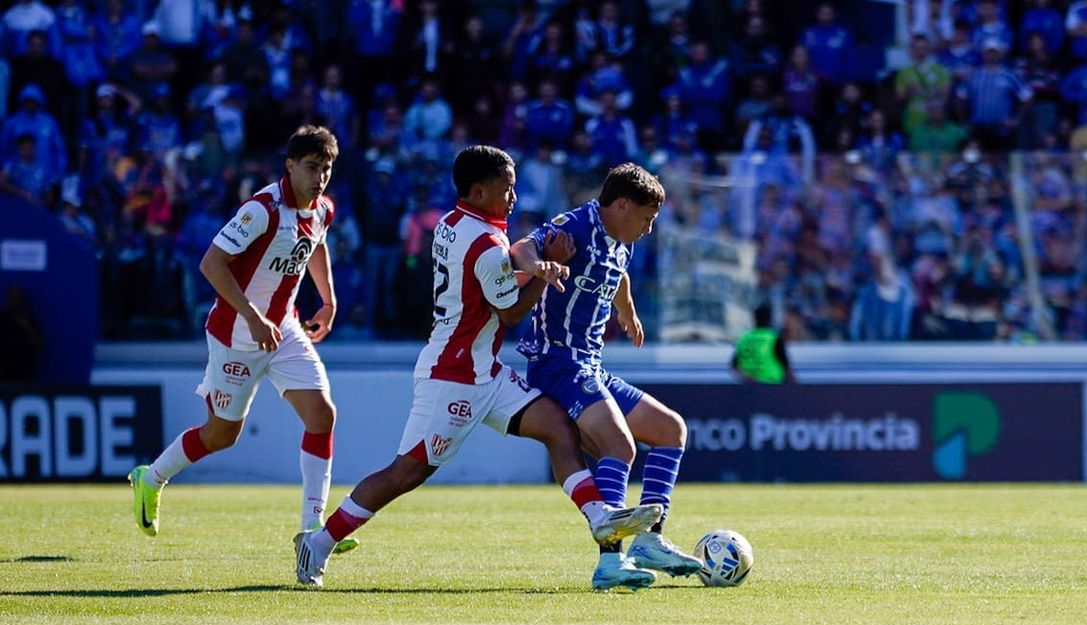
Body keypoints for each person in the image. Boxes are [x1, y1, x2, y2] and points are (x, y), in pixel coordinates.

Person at [294, 146, 662, 588]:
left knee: (558, 428)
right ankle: (318, 543)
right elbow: (508, 312)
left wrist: (534, 267)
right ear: (478, 190)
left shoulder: (455, 224)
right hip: (455, 376)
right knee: (406, 473)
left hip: (484, 369)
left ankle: (600, 517)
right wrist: (548, 274)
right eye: (506, 189)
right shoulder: (487, 244)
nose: (514, 198)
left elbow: (498, 275)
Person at [128, 126, 359, 554]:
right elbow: (211, 264)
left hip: (284, 329)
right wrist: (252, 318)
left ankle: (313, 529)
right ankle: (152, 477)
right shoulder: (262, 210)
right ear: (290, 166)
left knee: (322, 415)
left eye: (326, 169)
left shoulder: (322, 209)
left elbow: (318, 246)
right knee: (220, 435)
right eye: (311, 167)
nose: (320, 177)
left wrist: (328, 300)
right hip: (237, 334)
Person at [511, 162, 703, 591]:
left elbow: (617, 274)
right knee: (619, 445)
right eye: (647, 218)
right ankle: (609, 561)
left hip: (589, 365)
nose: (649, 228)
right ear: (620, 206)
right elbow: (522, 247)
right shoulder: (575, 226)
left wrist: (627, 310)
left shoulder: (621, 240)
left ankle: (649, 542)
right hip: (556, 362)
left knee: (671, 429)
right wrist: (540, 267)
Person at [732, 304, 793, 384]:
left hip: (748, 388)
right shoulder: (773, 338)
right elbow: (786, 367)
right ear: (769, 319)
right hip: (772, 386)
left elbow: (734, 367)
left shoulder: (744, 339)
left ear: (754, 319)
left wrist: (748, 379)